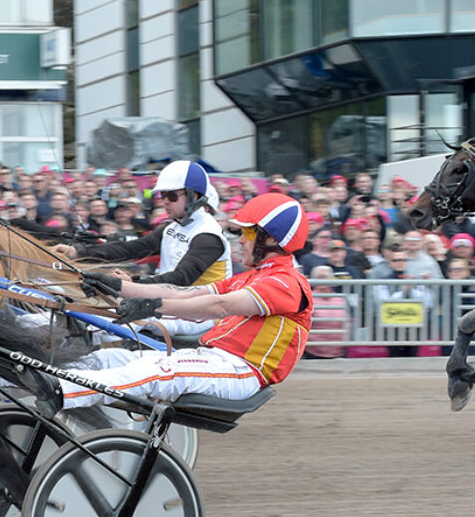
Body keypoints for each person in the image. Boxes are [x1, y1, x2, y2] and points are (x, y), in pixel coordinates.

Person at [51, 193, 312, 409]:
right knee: (113, 358)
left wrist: (151, 307)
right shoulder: (251, 278)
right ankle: (26, 380)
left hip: (241, 371)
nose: (241, 240)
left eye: (248, 233)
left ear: (272, 240)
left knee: (155, 370)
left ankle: (60, 391)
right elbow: (181, 293)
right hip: (213, 358)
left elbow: (219, 307)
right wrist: (120, 287)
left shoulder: (287, 283)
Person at [51, 160, 231, 286]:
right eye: (162, 195)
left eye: (172, 196)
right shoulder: (172, 227)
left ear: (195, 196)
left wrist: (133, 283)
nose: (164, 201)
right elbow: (131, 248)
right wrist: (78, 252)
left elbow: (181, 278)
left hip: (201, 315)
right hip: (173, 304)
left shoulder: (208, 236)